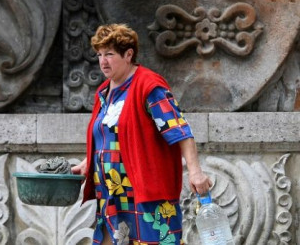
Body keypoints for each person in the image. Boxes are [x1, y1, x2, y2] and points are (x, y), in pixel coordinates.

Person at [71, 23, 212, 245]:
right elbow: (108, 137)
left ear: (129, 54)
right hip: (111, 196)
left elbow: (180, 130)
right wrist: (88, 163)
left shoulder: (149, 86)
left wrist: (195, 172)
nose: (103, 61)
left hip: (145, 196)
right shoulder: (103, 92)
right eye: (99, 54)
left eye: (109, 54)